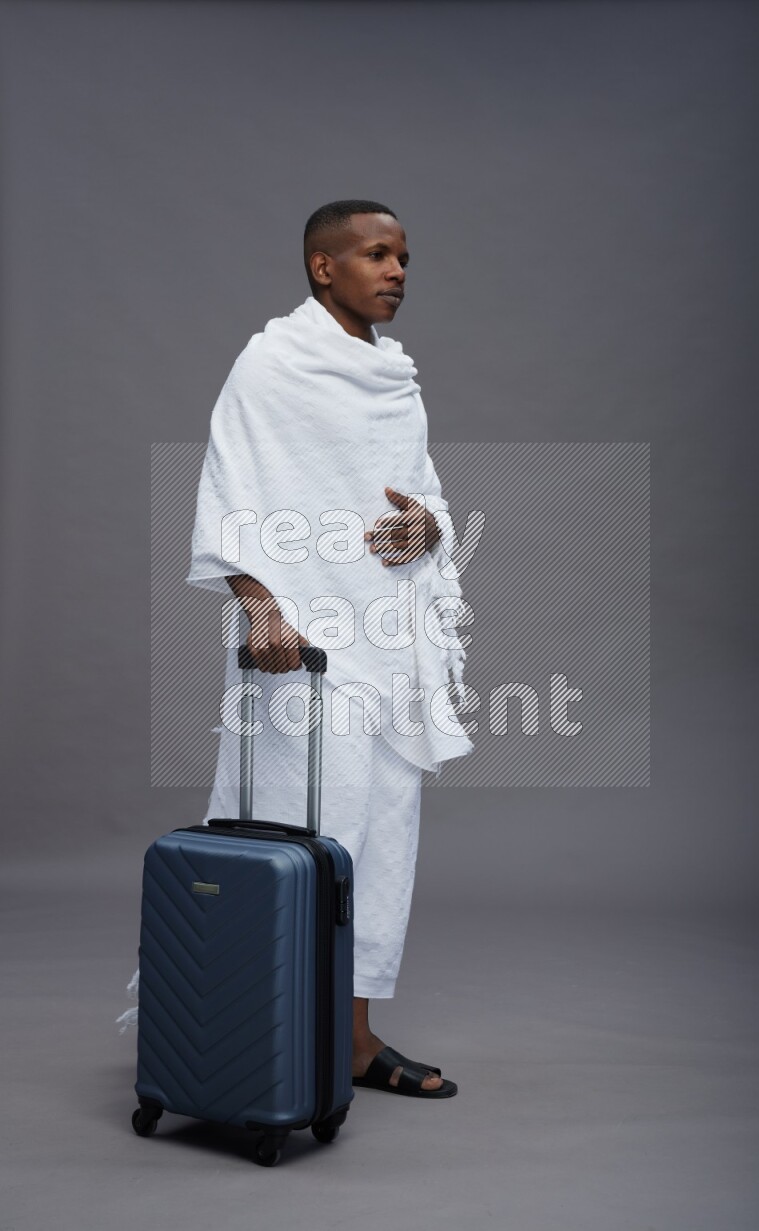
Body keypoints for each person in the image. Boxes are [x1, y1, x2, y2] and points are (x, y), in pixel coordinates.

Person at [124, 200, 474, 1098]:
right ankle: (254, 1028)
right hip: (303, 641)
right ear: (325, 267)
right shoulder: (272, 360)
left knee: (381, 835)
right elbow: (230, 479)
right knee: (293, 823)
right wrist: (257, 604)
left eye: (404, 257)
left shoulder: (395, 375)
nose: (397, 271)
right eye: (375, 254)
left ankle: (352, 1039)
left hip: (386, 633)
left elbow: (423, 493)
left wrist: (424, 527)